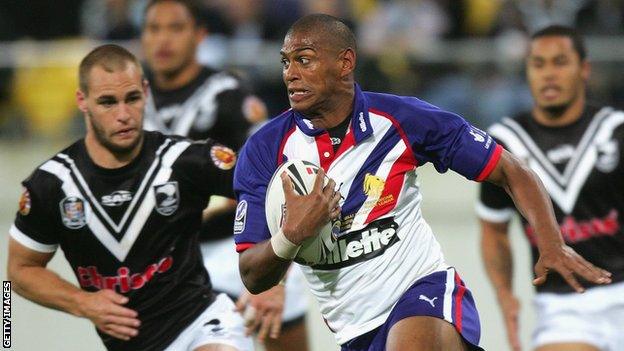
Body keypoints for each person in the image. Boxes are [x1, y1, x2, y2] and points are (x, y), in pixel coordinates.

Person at [233, 14, 613, 351]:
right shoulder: (264, 150)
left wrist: (551, 243)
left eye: (304, 60)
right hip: (354, 331)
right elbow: (252, 275)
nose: (290, 73)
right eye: (285, 62)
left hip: (424, 294)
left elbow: (511, 170)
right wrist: (292, 235)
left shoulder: (402, 119)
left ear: (345, 62)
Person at [6, 44, 253, 351]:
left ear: (145, 92)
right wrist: (81, 303)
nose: (123, 115)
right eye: (108, 102)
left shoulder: (183, 160)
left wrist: (274, 280)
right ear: (82, 101)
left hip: (203, 324)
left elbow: (267, 191)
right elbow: (16, 275)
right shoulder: (52, 185)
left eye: (132, 98)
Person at [140, 0, 310, 349]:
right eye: (154, 29)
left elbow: (275, 170)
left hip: (238, 248)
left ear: (200, 35)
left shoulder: (228, 96)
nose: (163, 40)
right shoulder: (130, 100)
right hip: (173, 259)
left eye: (175, 28)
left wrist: (276, 271)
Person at [477, 25, 624, 351]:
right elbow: (494, 229)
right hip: (564, 306)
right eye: (538, 64)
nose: (549, 74)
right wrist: (505, 295)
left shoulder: (616, 130)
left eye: (560, 62)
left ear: (584, 69)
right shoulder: (504, 143)